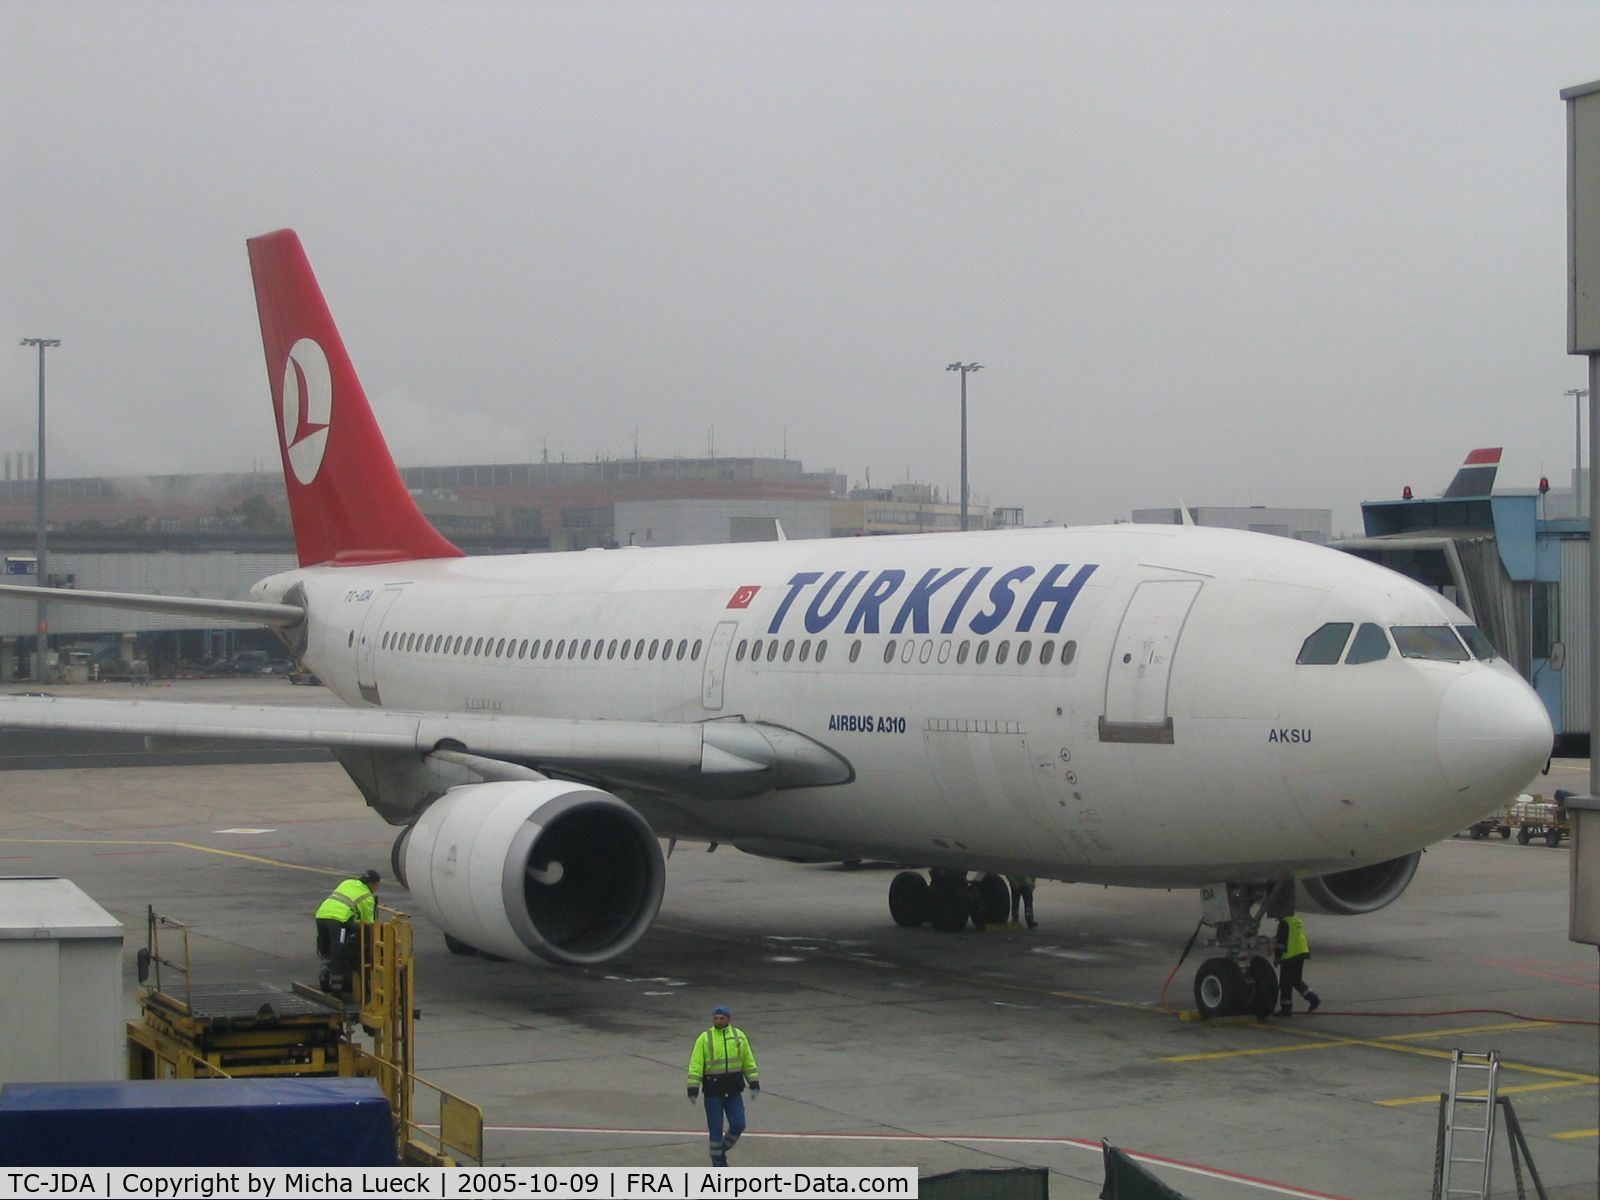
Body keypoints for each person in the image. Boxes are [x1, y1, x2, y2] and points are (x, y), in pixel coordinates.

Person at [686, 1004, 760, 1167]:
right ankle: (719, 1165)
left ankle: (721, 1149)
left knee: (739, 1123)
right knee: (715, 1130)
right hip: (713, 1092)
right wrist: (693, 1086)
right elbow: (696, 1064)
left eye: (722, 1018)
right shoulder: (705, 1038)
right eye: (716, 1018)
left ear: (728, 1019)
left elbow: (748, 1060)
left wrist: (753, 1081)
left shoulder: (738, 1036)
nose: (718, 1021)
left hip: (733, 1090)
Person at [314, 869, 379, 992]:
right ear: (373, 884)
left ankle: (324, 975)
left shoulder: (347, 882)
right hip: (337, 921)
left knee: (326, 950)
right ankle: (336, 990)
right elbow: (368, 924)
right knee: (338, 953)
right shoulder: (367, 897)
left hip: (321, 916)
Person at [1275, 913, 1320, 1015]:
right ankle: (1313, 998)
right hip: (1301, 954)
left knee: (1285, 984)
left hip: (1289, 957)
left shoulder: (1284, 923)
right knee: (1296, 980)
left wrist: (1277, 958)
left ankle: (1286, 1009)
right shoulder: (1297, 920)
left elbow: (1281, 945)